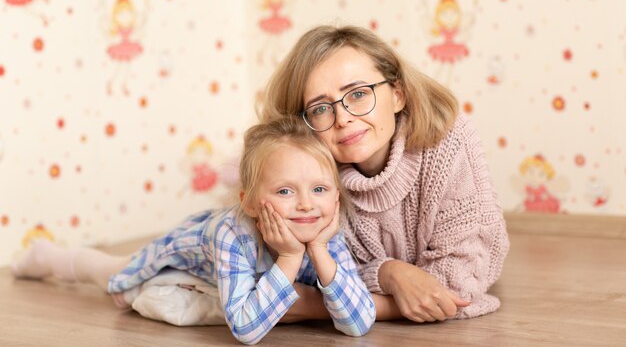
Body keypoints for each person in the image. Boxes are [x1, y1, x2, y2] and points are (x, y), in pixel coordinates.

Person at [12, 116, 375, 345]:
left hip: (224, 281)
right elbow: (247, 330)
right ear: (249, 202)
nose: (306, 204)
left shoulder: (326, 231)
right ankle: (49, 258)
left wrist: (320, 255)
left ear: (336, 198)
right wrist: (294, 255)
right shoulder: (233, 233)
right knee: (116, 277)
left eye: (319, 189)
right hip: (181, 262)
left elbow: (359, 324)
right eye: (284, 191)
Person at [261, 25, 510, 323]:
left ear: (397, 95)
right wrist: (390, 274)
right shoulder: (307, 180)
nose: (343, 118)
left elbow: (457, 288)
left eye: (358, 94)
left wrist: (316, 307)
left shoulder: (449, 140)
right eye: (320, 108)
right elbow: (300, 276)